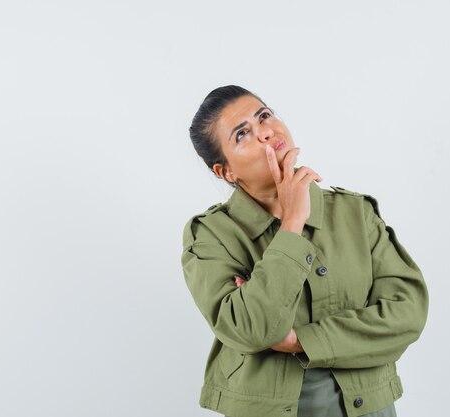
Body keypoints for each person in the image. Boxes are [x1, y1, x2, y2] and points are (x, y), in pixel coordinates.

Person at [181, 85, 429, 417]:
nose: (266, 133)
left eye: (265, 116)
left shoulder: (355, 212)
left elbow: (407, 314)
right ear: (225, 171)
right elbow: (250, 329)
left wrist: (301, 340)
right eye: (243, 134)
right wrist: (293, 222)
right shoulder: (211, 235)